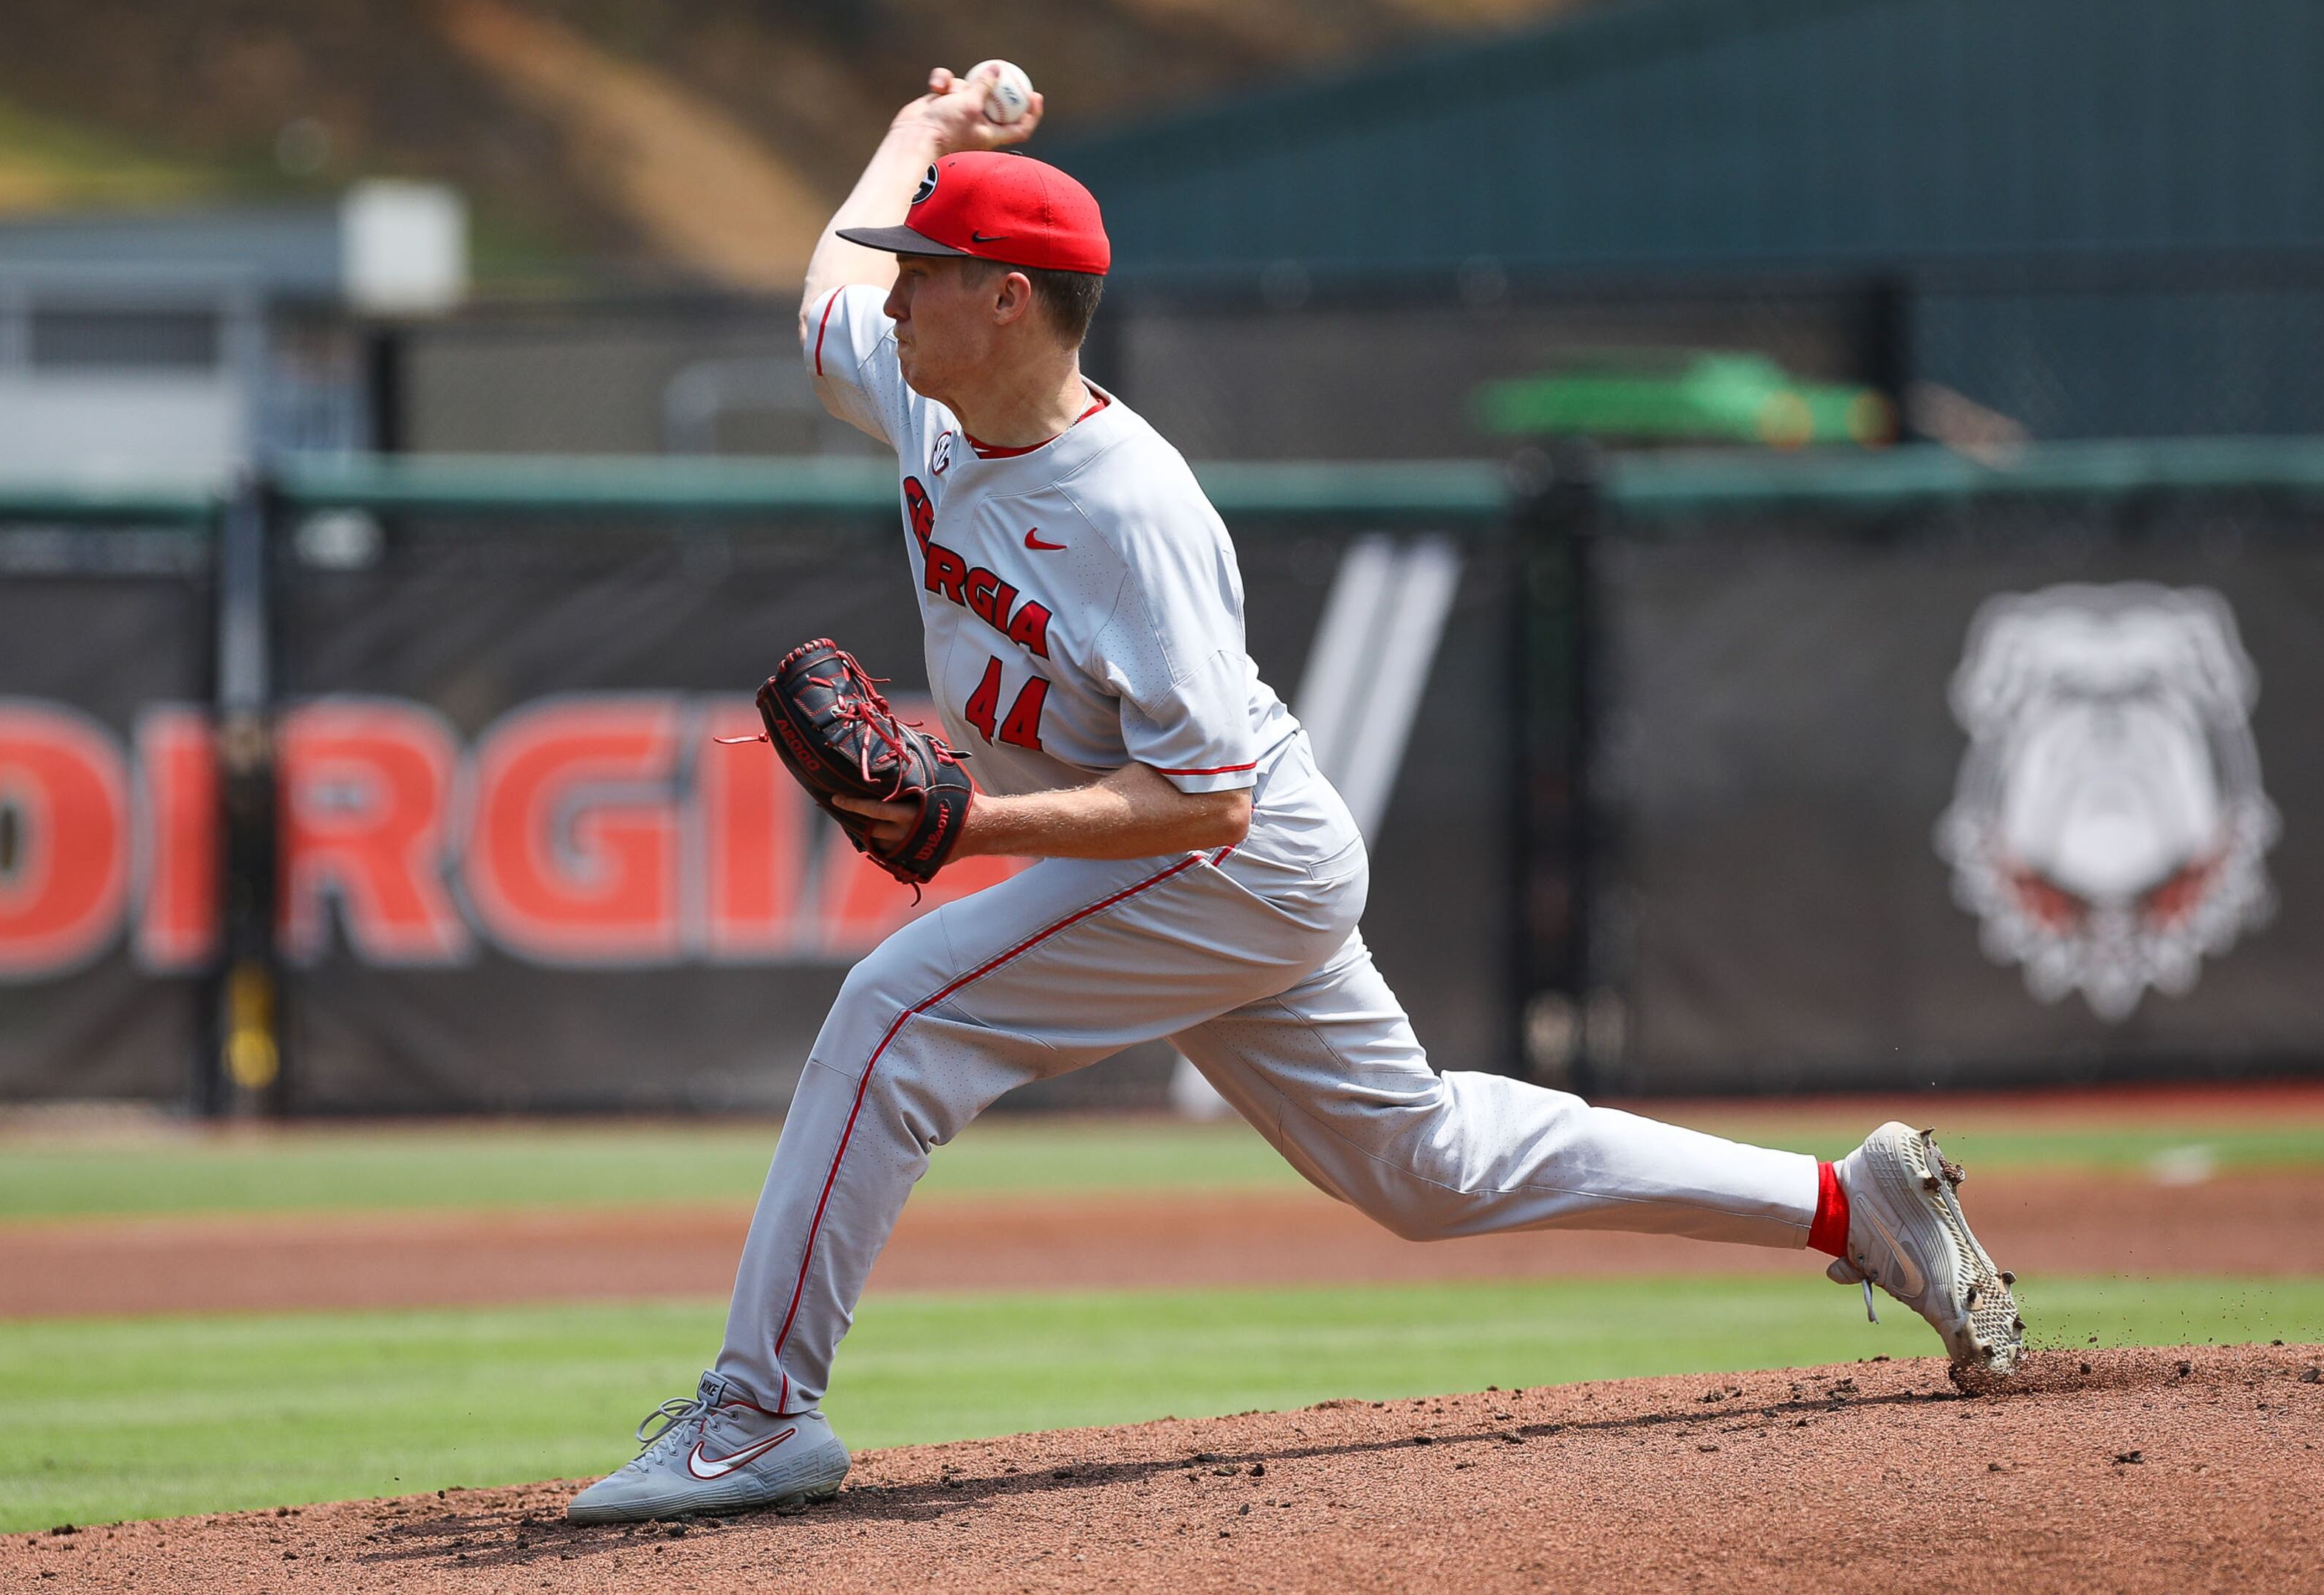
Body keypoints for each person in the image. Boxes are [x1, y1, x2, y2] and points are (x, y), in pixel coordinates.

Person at [565, 67, 2020, 1525]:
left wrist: (971, 828)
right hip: (1204, 859)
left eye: (927, 279)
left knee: (893, 1016)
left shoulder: (1130, 511)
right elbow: (829, 278)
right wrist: (924, 134)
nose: (892, 303)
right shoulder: (922, 393)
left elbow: (1207, 804)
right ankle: (1850, 1204)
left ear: (1008, 300)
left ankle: (757, 1413)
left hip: (1227, 861)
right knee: (1422, 1167)